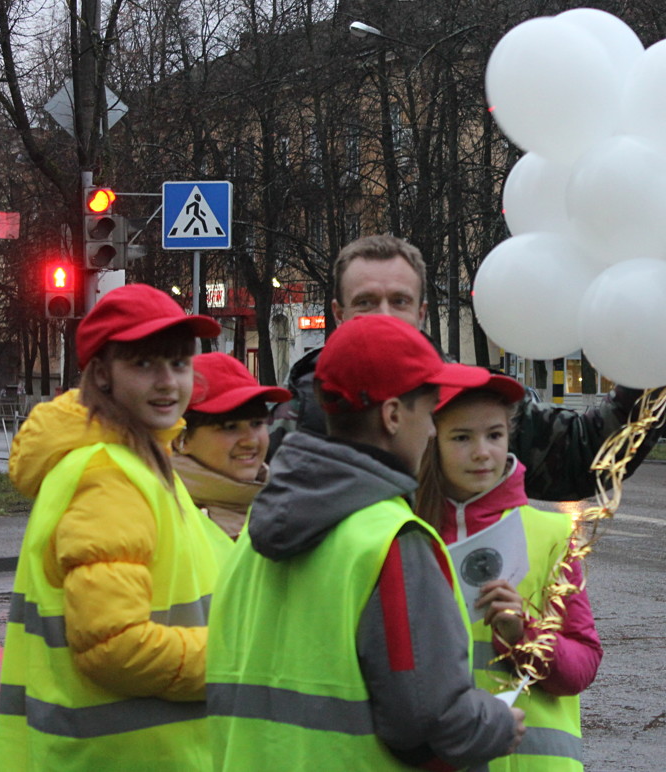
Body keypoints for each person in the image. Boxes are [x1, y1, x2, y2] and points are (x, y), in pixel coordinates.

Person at [206, 313, 526, 770]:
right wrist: (495, 724)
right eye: (429, 412)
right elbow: (429, 720)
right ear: (393, 415)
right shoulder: (392, 540)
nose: (431, 430)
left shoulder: (258, 527)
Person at [0, 284, 228, 771]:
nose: (167, 382)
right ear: (102, 374)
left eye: (179, 363)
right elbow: (114, 647)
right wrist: (240, 658)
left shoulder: (136, 459)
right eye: (144, 364)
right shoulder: (109, 476)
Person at [269, 233, 666, 500]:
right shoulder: (293, 413)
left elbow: (587, 456)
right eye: (366, 302)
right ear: (339, 313)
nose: (385, 316)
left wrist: (660, 357)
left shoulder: (471, 397)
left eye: (400, 301)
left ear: (421, 313)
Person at [415, 374, 602, 771]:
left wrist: (524, 635)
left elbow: (582, 665)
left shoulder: (550, 534)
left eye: (495, 435)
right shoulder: (407, 534)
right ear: (432, 439)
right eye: (462, 438)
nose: (482, 452)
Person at [173, 352, 290, 538]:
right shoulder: (161, 514)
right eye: (230, 427)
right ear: (182, 438)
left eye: (257, 423)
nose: (251, 441)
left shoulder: (288, 504)